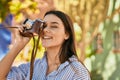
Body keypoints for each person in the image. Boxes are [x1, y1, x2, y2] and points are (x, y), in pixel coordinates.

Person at [0, 10, 91, 80]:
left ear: (66, 34)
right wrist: (18, 44)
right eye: (43, 26)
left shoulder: (77, 72)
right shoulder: (33, 66)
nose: (45, 30)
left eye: (54, 26)